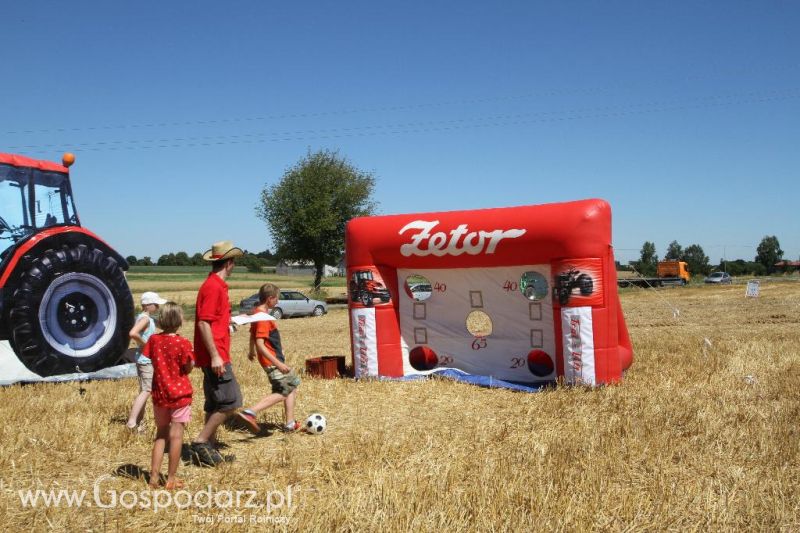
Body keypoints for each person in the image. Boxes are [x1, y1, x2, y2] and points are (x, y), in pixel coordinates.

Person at [190, 240, 244, 467]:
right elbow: (203, 323)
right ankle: (202, 441)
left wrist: (227, 321)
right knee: (231, 402)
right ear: (229, 263)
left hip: (216, 353)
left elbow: (212, 320)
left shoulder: (216, 285)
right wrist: (215, 355)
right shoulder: (213, 287)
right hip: (217, 355)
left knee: (214, 403)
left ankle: (209, 451)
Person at [238, 283, 302, 433]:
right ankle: (250, 412)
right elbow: (261, 343)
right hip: (272, 360)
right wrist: (278, 364)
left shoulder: (257, 313)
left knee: (291, 385)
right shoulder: (263, 319)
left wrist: (250, 351)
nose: (278, 302)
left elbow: (252, 336)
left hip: (272, 359)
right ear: (269, 299)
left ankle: (290, 423)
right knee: (283, 391)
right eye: (276, 299)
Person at [145, 302, 194, 490]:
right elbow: (187, 368)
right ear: (180, 320)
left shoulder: (154, 341)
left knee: (161, 435)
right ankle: (171, 479)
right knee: (176, 437)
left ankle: (154, 478)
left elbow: (151, 359)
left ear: (161, 320)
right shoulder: (183, 343)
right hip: (180, 395)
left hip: (160, 394)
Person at [126, 291, 167, 431]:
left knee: (144, 390)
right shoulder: (145, 319)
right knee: (147, 390)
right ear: (148, 305)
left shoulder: (143, 317)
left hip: (142, 358)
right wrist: (146, 345)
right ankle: (132, 422)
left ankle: (139, 422)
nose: (158, 307)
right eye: (156, 305)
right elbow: (133, 333)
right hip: (146, 360)